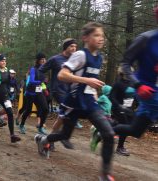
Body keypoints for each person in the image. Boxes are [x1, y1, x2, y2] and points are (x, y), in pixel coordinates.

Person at [34, 22, 115, 181]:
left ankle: (105, 175)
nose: (101, 39)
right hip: (74, 102)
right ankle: (43, 139)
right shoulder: (80, 55)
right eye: (96, 35)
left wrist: (95, 96)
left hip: (90, 103)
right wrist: (86, 80)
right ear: (86, 37)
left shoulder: (99, 58)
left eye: (102, 36)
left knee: (109, 134)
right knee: (65, 134)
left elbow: (92, 82)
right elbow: (62, 75)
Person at [113, 7, 158, 156]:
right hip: (145, 89)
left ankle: (103, 130)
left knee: (135, 130)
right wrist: (137, 85)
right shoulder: (146, 39)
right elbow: (125, 63)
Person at [39, 38, 77, 150]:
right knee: (69, 111)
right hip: (58, 90)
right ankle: (64, 135)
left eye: (75, 46)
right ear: (65, 47)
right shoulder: (56, 59)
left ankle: (51, 139)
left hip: (70, 91)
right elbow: (41, 69)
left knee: (62, 116)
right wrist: (43, 80)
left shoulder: (75, 60)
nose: (74, 48)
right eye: (71, 46)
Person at [19, 53, 49, 135]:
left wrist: (44, 87)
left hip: (38, 92)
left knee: (46, 109)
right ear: (38, 60)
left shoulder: (44, 70)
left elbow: (42, 82)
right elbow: (32, 81)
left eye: (44, 59)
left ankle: (40, 127)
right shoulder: (33, 69)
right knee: (28, 110)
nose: (44, 61)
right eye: (42, 59)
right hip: (30, 93)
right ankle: (21, 125)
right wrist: (41, 82)